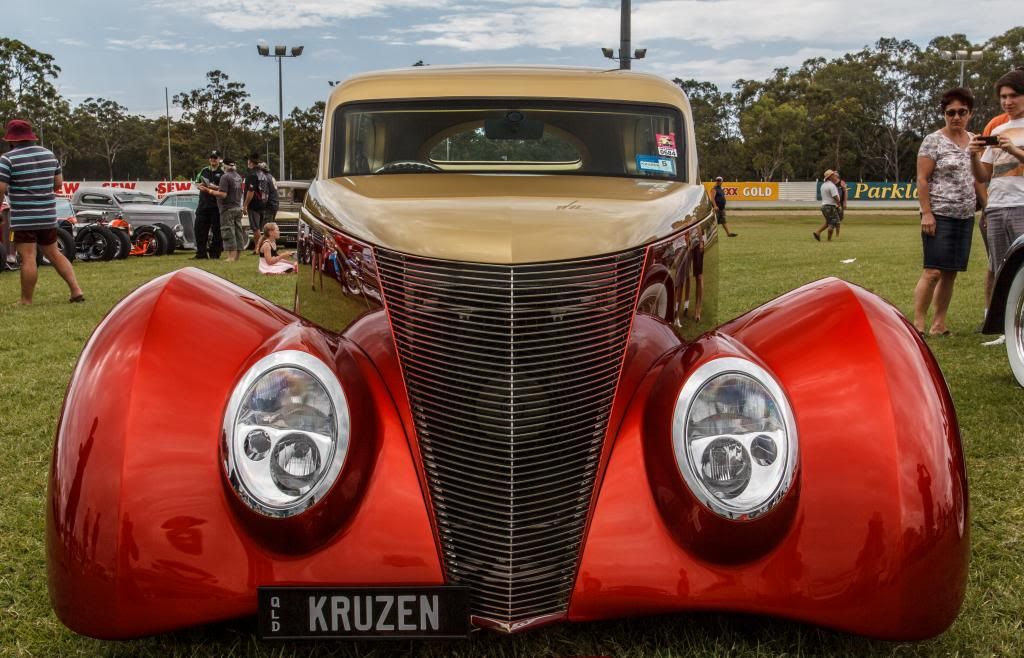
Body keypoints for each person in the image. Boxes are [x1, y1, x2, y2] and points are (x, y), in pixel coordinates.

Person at [912, 87, 977, 337]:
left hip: (965, 215)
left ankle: (939, 324)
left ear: (969, 113)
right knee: (932, 271)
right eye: (950, 112)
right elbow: (922, 179)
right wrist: (926, 213)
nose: (956, 117)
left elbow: (979, 178)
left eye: (962, 112)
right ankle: (918, 323)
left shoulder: (974, 140)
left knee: (950, 273)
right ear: (944, 114)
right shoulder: (933, 140)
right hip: (939, 213)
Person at [0, 119, 83, 305]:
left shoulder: (7, 159)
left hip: (24, 217)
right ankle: (76, 290)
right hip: (48, 215)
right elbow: (58, 184)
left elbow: (1, 187)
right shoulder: (49, 155)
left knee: (28, 257)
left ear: (12, 140)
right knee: (54, 253)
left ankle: (26, 300)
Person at [970, 69, 1024, 280]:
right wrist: (973, 156)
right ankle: (1001, 313)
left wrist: (1013, 150)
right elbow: (983, 176)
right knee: (1001, 270)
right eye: (1003, 97)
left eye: (1013, 96)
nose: (1008, 101)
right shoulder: (996, 130)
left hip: (1021, 205)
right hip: (997, 207)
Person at [205, 157, 245, 262]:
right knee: (238, 233)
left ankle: (231, 257)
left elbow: (223, 194)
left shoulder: (225, 176)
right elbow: (227, 189)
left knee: (228, 232)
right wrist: (213, 187)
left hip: (227, 209)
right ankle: (237, 257)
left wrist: (208, 191)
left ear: (225, 166)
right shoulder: (238, 177)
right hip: (237, 207)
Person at [193, 151, 223, 259]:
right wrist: (199, 186)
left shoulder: (222, 172)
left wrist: (210, 186)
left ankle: (215, 253)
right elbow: (196, 182)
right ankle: (201, 253)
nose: (213, 160)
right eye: (211, 158)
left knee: (217, 231)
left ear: (219, 159)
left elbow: (223, 188)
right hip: (203, 205)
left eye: (215, 158)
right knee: (199, 229)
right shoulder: (204, 170)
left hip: (216, 206)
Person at [243, 154, 269, 255]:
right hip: (263, 203)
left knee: (255, 228)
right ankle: (261, 248)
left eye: (248, 161)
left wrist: (245, 205)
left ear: (250, 162)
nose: (247, 163)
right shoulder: (263, 174)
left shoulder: (252, 175)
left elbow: (251, 191)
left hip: (254, 205)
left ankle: (257, 249)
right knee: (259, 228)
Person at [813, 170, 842, 241]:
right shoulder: (832, 186)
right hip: (830, 207)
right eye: (834, 175)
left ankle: (817, 232)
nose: (835, 176)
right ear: (830, 177)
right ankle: (828, 239)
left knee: (828, 222)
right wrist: (839, 205)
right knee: (833, 223)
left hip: (824, 206)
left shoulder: (823, 185)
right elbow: (835, 196)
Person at [259, 161, 279, 229]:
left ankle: (267, 240)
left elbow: (265, 195)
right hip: (274, 204)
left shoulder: (264, 178)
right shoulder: (271, 177)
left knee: (267, 228)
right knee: (271, 227)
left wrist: (260, 205)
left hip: (269, 206)